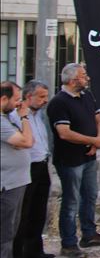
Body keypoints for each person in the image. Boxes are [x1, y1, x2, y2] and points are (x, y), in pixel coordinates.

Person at [47, 64, 100, 255]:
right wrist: (94, 140)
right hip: (70, 160)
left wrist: (96, 142)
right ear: (72, 80)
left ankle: (89, 233)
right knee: (70, 202)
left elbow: (99, 119)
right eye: (84, 76)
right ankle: (68, 243)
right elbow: (64, 133)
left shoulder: (87, 96)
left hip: (89, 156)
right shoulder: (59, 102)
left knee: (90, 196)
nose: (88, 79)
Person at [11, 81, 52, 258]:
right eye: (41, 97)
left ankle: (35, 250)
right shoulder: (17, 116)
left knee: (39, 210)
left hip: (42, 165)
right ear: (29, 97)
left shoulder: (39, 115)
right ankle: (19, 252)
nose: (45, 100)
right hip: (28, 168)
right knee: (24, 213)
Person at [1, 81, 33, 258]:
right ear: (4, 98)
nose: (19, 104)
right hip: (7, 184)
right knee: (5, 235)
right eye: (16, 99)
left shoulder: (7, 118)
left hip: (17, 182)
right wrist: (24, 117)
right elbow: (27, 142)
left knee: (12, 231)